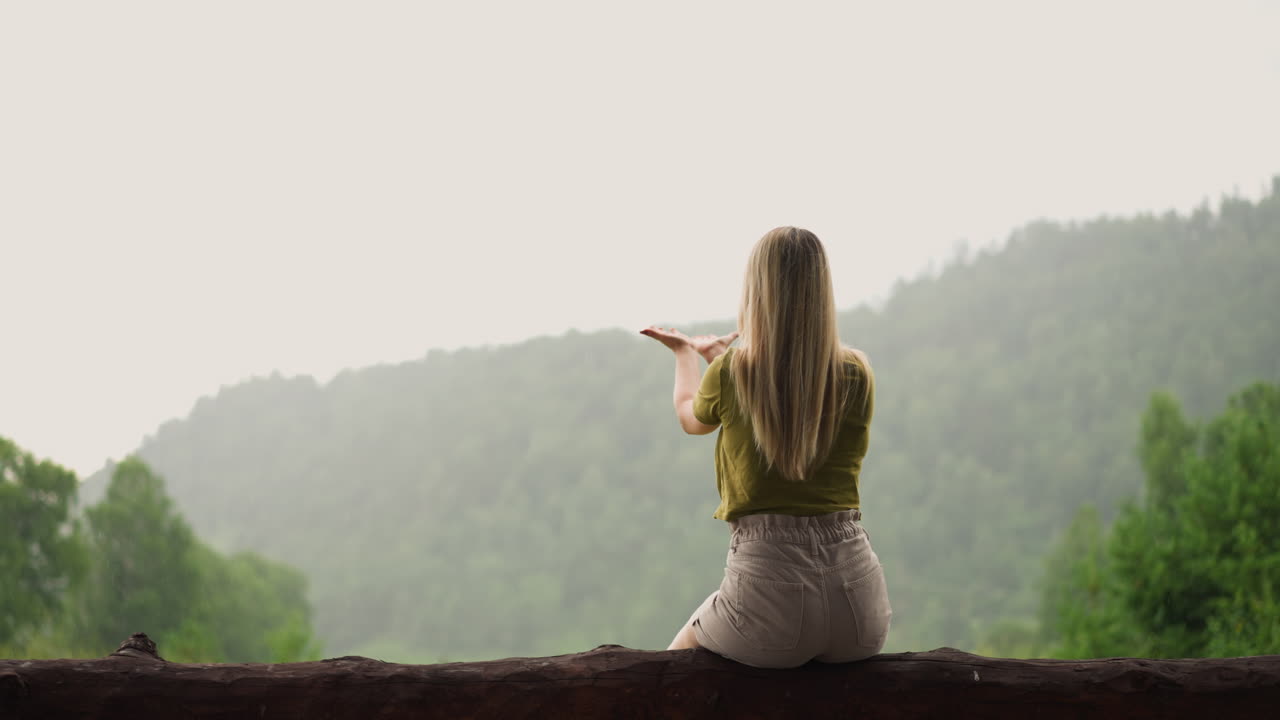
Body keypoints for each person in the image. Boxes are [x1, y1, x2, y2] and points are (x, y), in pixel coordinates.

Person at [639, 226, 890, 669]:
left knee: (669, 670)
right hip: (859, 605)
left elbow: (691, 418)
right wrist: (721, 360)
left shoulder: (733, 372)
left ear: (757, 291)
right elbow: (792, 404)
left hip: (769, 592)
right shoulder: (855, 373)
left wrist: (685, 356)